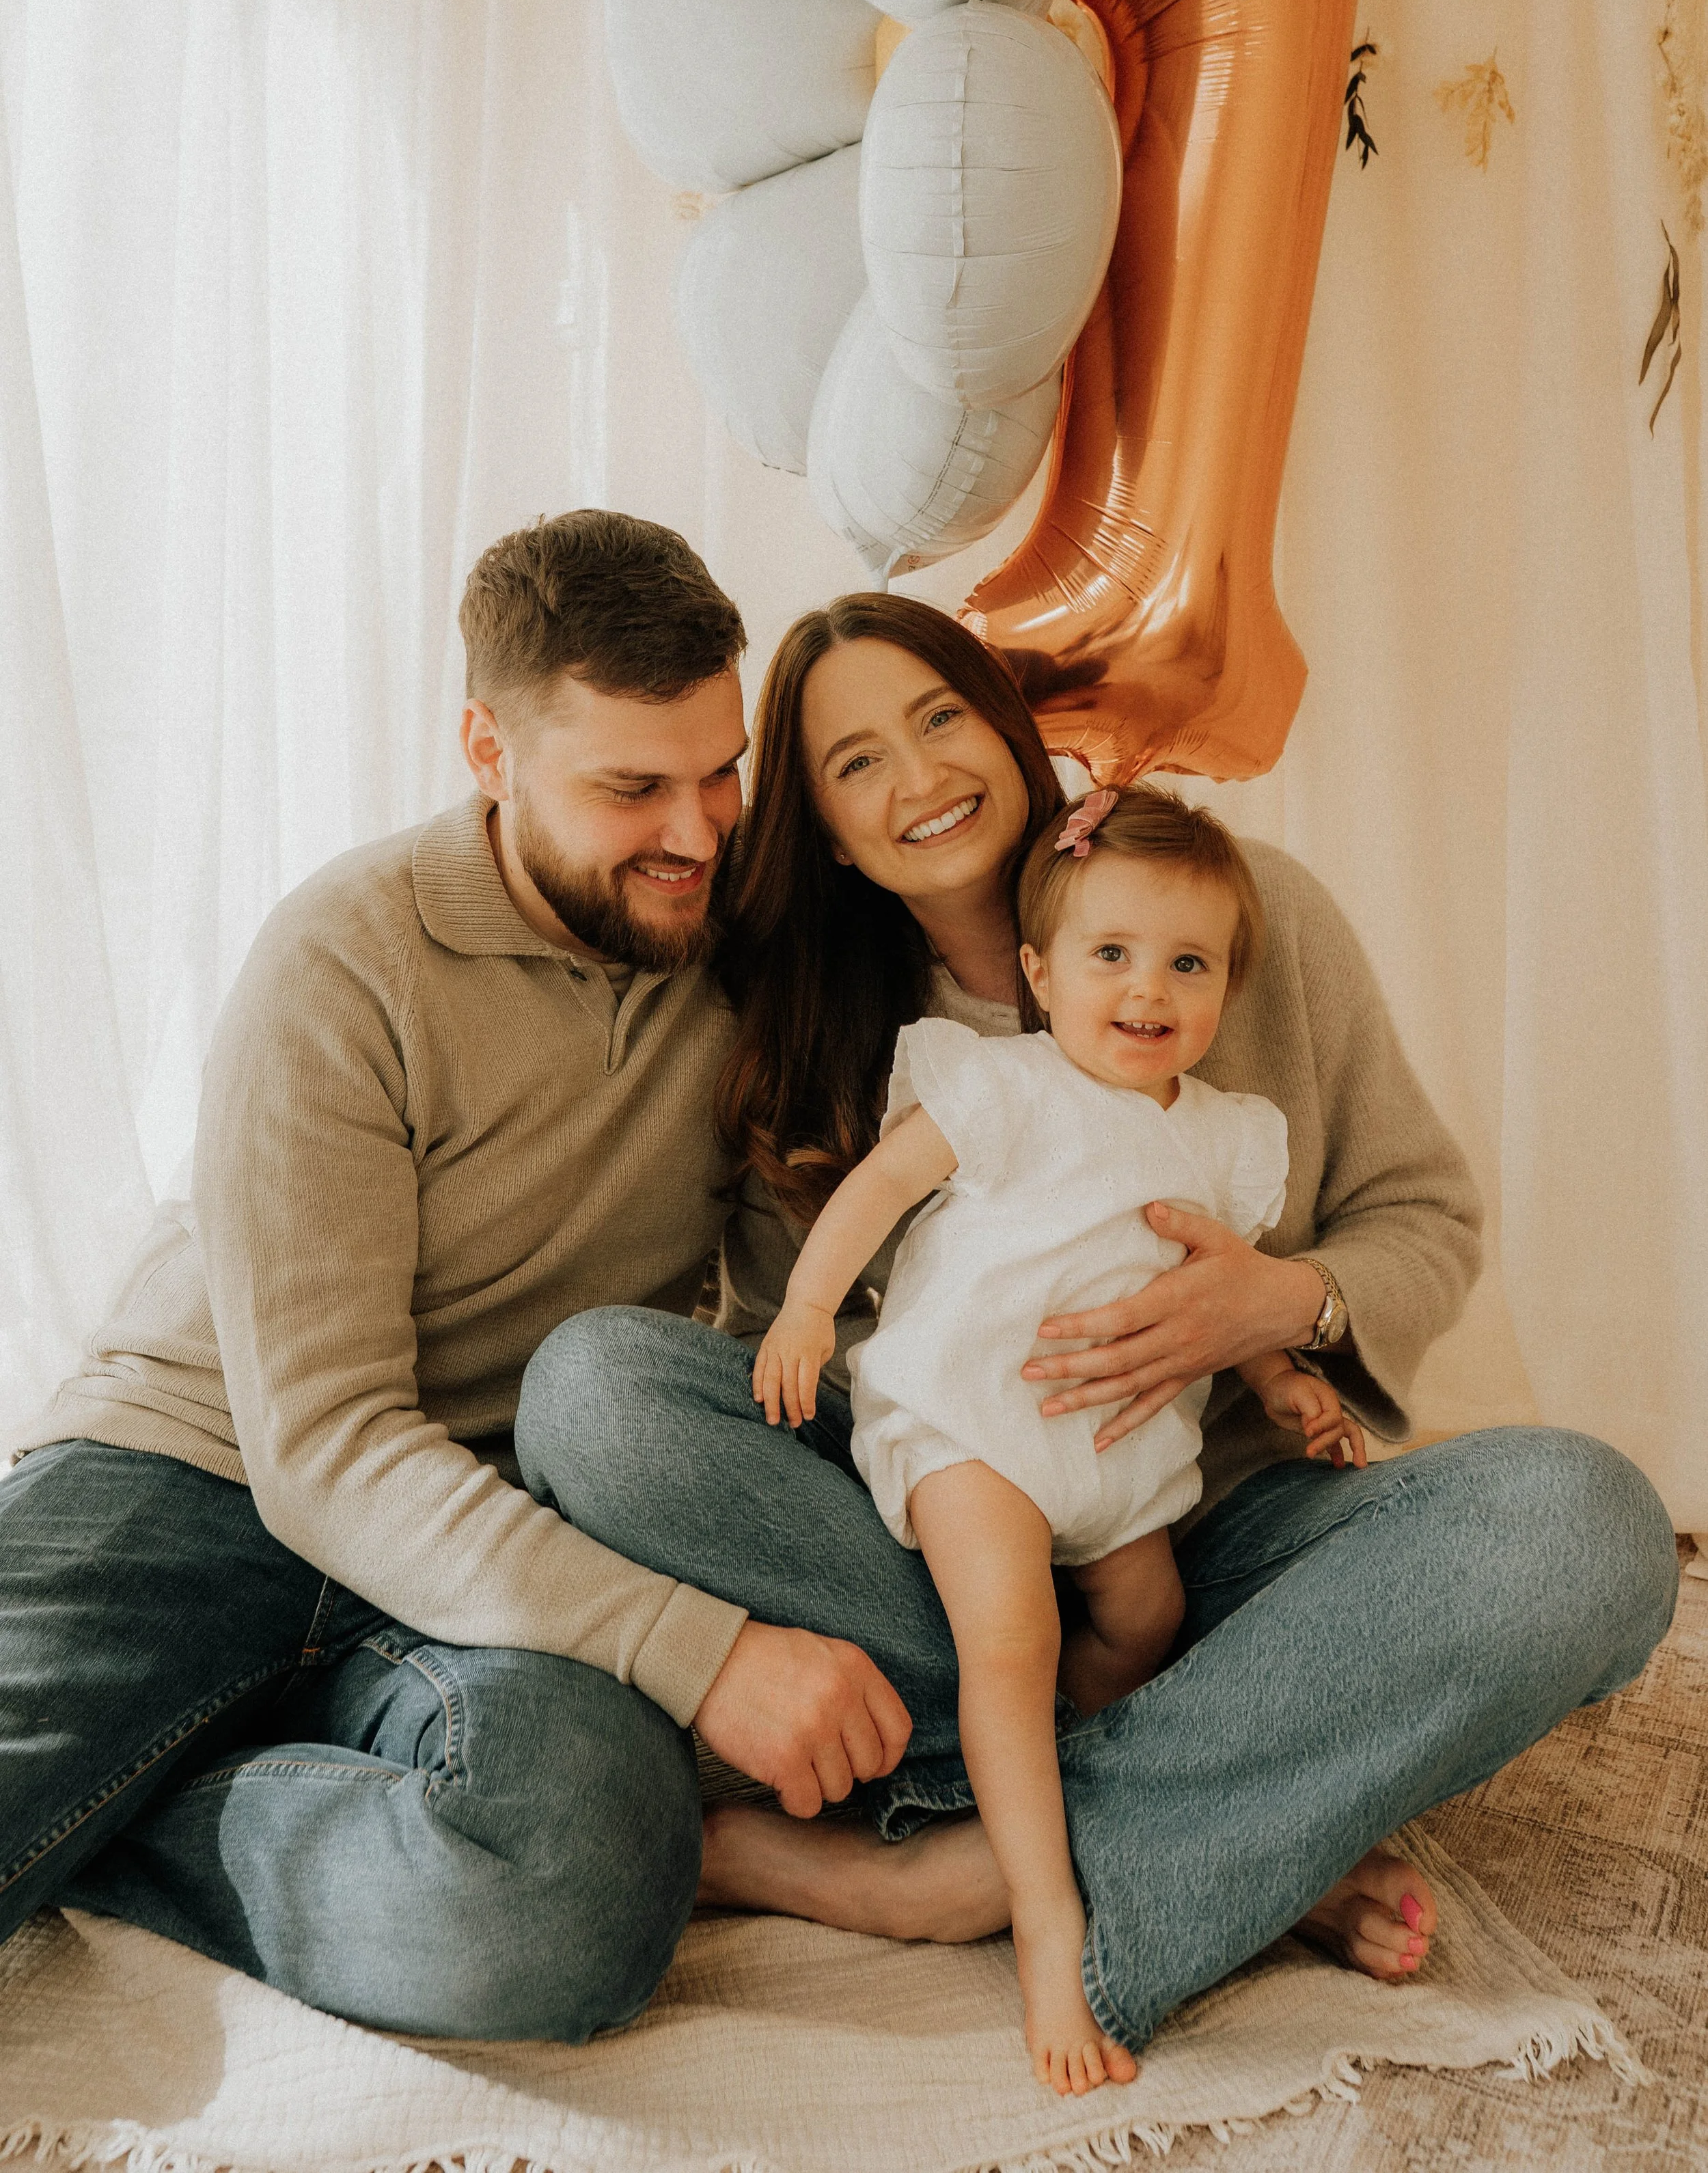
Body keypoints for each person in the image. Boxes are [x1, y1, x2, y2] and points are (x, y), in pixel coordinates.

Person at [521, 588, 1680, 2066]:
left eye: (940, 717)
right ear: (816, 824)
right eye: (855, 761)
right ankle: (1243, 1822)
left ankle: (972, 1867)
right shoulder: (811, 1022)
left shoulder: (1227, 916)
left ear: (1007, 727)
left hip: (1205, 1527)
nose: (920, 774)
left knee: (1584, 1524)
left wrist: (1283, 1305)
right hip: (944, 1530)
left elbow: (1421, 1221)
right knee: (591, 1391)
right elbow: (780, 1330)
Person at [0, 512, 913, 2038]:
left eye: (721, 767)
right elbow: (323, 1446)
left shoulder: (745, 941)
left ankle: (144, 1813)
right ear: (489, 749)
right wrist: (706, 1657)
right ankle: (129, 1763)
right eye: (632, 787)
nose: (697, 830)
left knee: (575, 1890)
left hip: (484, 1533)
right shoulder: (345, 959)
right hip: (196, 1473)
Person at [753, 783, 1366, 2094]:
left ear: (1224, 988)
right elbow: (876, 1189)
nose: (1149, 990)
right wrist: (809, 1308)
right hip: (972, 1414)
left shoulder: (1223, 1137)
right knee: (1013, 1633)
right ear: (1039, 973)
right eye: (1111, 955)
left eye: (1186, 963)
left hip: (1115, 1460)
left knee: (1147, 1618)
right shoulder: (1003, 1087)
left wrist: (1285, 1379)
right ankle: (1045, 1916)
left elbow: (1224, 1285)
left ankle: (1060, 1774)